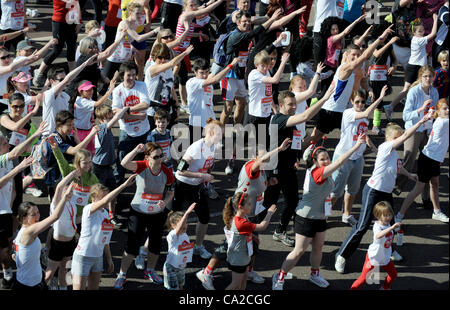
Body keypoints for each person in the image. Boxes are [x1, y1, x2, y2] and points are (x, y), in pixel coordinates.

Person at [334, 114, 432, 274]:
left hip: (386, 193)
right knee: (362, 226)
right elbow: (407, 135)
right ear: (388, 137)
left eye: (399, 137)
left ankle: (390, 250)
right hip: (373, 190)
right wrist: (421, 121)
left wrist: (409, 175)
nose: (399, 140)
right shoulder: (386, 147)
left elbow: (398, 167)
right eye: (396, 137)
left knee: (390, 224)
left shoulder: (393, 153)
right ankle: (342, 255)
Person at [272, 133, 367, 290]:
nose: (326, 161)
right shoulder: (317, 173)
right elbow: (340, 162)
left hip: (320, 217)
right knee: (298, 251)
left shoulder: (322, 171)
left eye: (327, 158)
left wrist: (326, 214)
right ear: (315, 161)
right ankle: (280, 276)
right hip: (306, 217)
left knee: (318, 248)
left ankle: (314, 274)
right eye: (322, 159)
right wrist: (356, 146)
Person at [196, 138, 291, 289]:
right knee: (230, 245)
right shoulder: (251, 167)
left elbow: (258, 184)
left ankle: (249, 270)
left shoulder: (261, 171)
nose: (267, 158)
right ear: (254, 156)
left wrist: (269, 183)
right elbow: (260, 162)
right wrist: (279, 149)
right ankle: (207, 272)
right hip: (242, 213)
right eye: (263, 155)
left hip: (252, 211)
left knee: (251, 244)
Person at [264, 86, 335, 248]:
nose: (294, 107)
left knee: (292, 201)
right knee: (266, 204)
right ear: (281, 105)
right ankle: (242, 230)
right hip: (275, 170)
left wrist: (313, 139)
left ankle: (280, 231)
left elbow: (296, 143)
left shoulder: (289, 122)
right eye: (290, 104)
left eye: (295, 104)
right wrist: (324, 99)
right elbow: (305, 116)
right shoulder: (279, 119)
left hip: (288, 168)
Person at [309, 24, 395, 145]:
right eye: (353, 55)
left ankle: (355, 154)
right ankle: (300, 151)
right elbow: (366, 55)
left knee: (353, 132)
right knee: (314, 138)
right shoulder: (346, 68)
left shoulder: (357, 68)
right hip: (330, 110)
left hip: (343, 109)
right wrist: (381, 38)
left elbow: (363, 78)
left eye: (357, 55)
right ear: (347, 55)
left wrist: (369, 89)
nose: (356, 57)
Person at [113, 142, 175, 290]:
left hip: (156, 213)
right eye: (156, 156)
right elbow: (124, 163)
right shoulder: (142, 166)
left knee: (155, 244)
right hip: (138, 212)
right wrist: (136, 149)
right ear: (147, 157)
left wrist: (164, 201)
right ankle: (122, 274)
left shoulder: (166, 172)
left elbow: (171, 192)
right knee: (132, 245)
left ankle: (150, 270)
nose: (160, 159)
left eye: (161, 155)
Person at [0, 121, 47, 289]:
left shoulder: (3, 160)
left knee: (8, 246)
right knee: (4, 251)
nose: (9, 144)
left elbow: (15, 152)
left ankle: (7, 269)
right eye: (4, 143)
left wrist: (34, 135)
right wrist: (19, 168)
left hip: (4, 212)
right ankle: (7, 272)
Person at [330, 87, 387, 226]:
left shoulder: (364, 119)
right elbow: (367, 112)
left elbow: (364, 136)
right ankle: (322, 216)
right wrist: (380, 98)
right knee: (335, 192)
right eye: (357, 102)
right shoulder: (348, 113)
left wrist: (374, 149)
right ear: (351, 102)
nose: (360, 105)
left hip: (358, 158)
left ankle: (347, 214)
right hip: (343, 157)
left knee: (353, 190)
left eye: (362, 102)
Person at [71, 175, 136, 290]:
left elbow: (105, 240)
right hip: (83, 257)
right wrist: (123, 185)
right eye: (103, 197)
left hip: (98, 257)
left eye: (106, 195)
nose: (106, 199)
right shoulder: (88, 210)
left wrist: (109, 259)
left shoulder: (105, 214)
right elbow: (106, 201)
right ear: (93, 198)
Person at [172, 118, 223, 259]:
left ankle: (198, 246)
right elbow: (180, 170)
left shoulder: (212, 147)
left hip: (196, 187)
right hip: (181, 185)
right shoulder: (196, 148)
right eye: (220, 134)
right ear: (211, 133)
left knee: (204, 216)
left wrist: (205, 178)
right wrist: (201, 175)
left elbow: (207, 165)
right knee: (173, 216)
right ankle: (166, 246)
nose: (221, 137)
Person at [12, 182, 74, 290]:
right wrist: (64, 197)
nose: (38, 216)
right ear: (24, 218)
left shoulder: (24, 233)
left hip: (37, 280)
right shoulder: (28, 232)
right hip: (27, 285)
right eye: (33, 214)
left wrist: (36, 269)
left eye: (38, 212)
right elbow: (55, 216)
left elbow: (14, 256)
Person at [396, 98, 449, 224]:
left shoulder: (442, 121)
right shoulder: (443, 122)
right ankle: (399, 214)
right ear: (438, 111)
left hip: (434, 159)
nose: (447, 110)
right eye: (444, 108)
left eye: (448, 108)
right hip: (428, 159)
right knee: (418, 188)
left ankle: (436, 211)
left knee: (434, 183)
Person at [395, 66, 439, 203]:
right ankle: (394, 190)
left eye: (430, 76)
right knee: (408, 161)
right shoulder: (414, 92)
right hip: (414, 130)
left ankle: (425, 198)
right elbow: (405, 116)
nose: (428, 79)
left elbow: (436, 111)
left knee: (427, 165)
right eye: (425, 76)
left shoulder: (434, 92)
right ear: (420, 77)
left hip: (428, 131)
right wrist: (421, 109)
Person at [173, 0, 225, 113]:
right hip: (178, 50)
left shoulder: (190, 14)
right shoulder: (187, 15)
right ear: (185, 6)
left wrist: (199, 34)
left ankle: (182, 102)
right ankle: (182, 103)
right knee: (181, 77)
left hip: (184, 50)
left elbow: (188, 32)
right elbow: (205, 10)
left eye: (195, 4)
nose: (194, 7)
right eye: (191, 5)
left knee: (183, 76)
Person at [385, 14, 438, 116]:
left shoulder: (416, 39)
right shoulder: (418, 40)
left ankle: (393, 106)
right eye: (419, 31)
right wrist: (435, 20)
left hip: (415, 66)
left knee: (418, 88)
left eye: (423, 31)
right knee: (409, 89)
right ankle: (391, 106)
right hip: (414, 67)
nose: (422, 33)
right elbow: (433, 34)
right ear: (414, 32)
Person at [223, 192, 277, 290]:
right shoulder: (240, 222)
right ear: (240, 206)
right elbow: (262, 227)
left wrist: (253, 237)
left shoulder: (243, 216)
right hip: (237, 259)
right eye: (248, 204)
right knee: (235, 285)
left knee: (243, 282)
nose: (251, 205)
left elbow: (245, 232)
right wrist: (269, 213)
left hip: (244, 256)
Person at [112, 61, 151, 185]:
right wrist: (138, 115)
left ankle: (143, 189)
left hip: (143, 132)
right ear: (123, 75)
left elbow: (145, 104)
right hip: (127, 132)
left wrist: (127, 110)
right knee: (121, 164)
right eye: (128, 75)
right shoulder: (117, 91)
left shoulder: (141, 85)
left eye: (134, 75)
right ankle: (116, 192)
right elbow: (116, 113)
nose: (131, 78)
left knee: (144, 164)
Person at [40, 54, 98, 136]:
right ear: (52, 81)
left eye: (64, 78)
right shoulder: (49, 95)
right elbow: (67, 80)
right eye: (61, 80)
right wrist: (85, 64)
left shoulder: (65, 96)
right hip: (49, 136)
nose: (65, 81)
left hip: (63, 136)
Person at [43, 170, 82, 290]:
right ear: (60, 193)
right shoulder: (56, 204)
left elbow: (73, 221)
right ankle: (39, 286)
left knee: (64, 269)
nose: (70, 192)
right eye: (67, 190)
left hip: (70, 242)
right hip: (58, 244)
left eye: (71, 190)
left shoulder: (72, 204)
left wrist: (88, 213)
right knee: (50, 272)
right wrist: (71, 175)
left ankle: (63, 288)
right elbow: (60, 186)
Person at [92, 105, 130, 226]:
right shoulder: (101, 128)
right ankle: (98, 216)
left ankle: (111, 215)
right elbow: (116, 118)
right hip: (98, 168)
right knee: (100, 196)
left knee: (113, 193)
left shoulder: (104, 128)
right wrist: (125, 108)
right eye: (107, 119)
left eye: (110, 117)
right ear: (101, 120)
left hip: (108, 167)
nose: (110, 120)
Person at [187, 57, 239, 143]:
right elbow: (215, 79)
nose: (204, 75)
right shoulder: (192, 82)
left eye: (207, 72)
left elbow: (209, 104)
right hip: (196, 123)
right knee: (195, 151)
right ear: (195, 71)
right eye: (201, 73)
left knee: (210, 151)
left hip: (209, 122)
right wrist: (231, 65)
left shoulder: (209, 85)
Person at [350, 201, 399, 290]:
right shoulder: (377, 226)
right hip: (374, 257)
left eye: (389, 214)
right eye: (385, 215)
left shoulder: (388, 224)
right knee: (363, 279)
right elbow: (379, 235)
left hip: (385, 256)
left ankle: (385, 287)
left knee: (393, 275)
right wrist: (391, 228)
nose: (388, 217)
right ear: (378, 216)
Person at [32, 0, 82, 87]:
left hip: (72, 21)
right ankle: (39, 72)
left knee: (71, 49)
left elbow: (76, 4)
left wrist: (79, 21)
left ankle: (72, 76)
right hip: (59, 22)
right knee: (57, 50)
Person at [145, 43, 194, 129]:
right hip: (153, 111)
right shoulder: (152, 69)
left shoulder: (168, 69)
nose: (163, 60)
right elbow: (172, 63)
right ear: (154, 57)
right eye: (160, 57)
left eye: (166, 57)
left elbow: (171, 88)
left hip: (167, 109)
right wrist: (185, 53)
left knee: (168, 138)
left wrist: (177, 107)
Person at [70, 73, 119, 156]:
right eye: (87, 90)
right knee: (84, 155)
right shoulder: (81, 101)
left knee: (93, 153)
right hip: (80, 133)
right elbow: (98, 103)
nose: (90, 92)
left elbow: (98, 101)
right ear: (81, 91)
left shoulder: (86, 99)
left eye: (91, 89)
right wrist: (110, 90)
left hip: (89, 130)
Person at [163, 202, 196, 290]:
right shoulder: (172, 236)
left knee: (181, 285)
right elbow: (178, 230)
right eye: (182, 222)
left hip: (181, 266)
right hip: (171, 267)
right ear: (173, 225)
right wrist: (186, 214)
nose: (184, 224)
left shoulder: (185, 236)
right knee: (174, 288)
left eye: (186, 222)